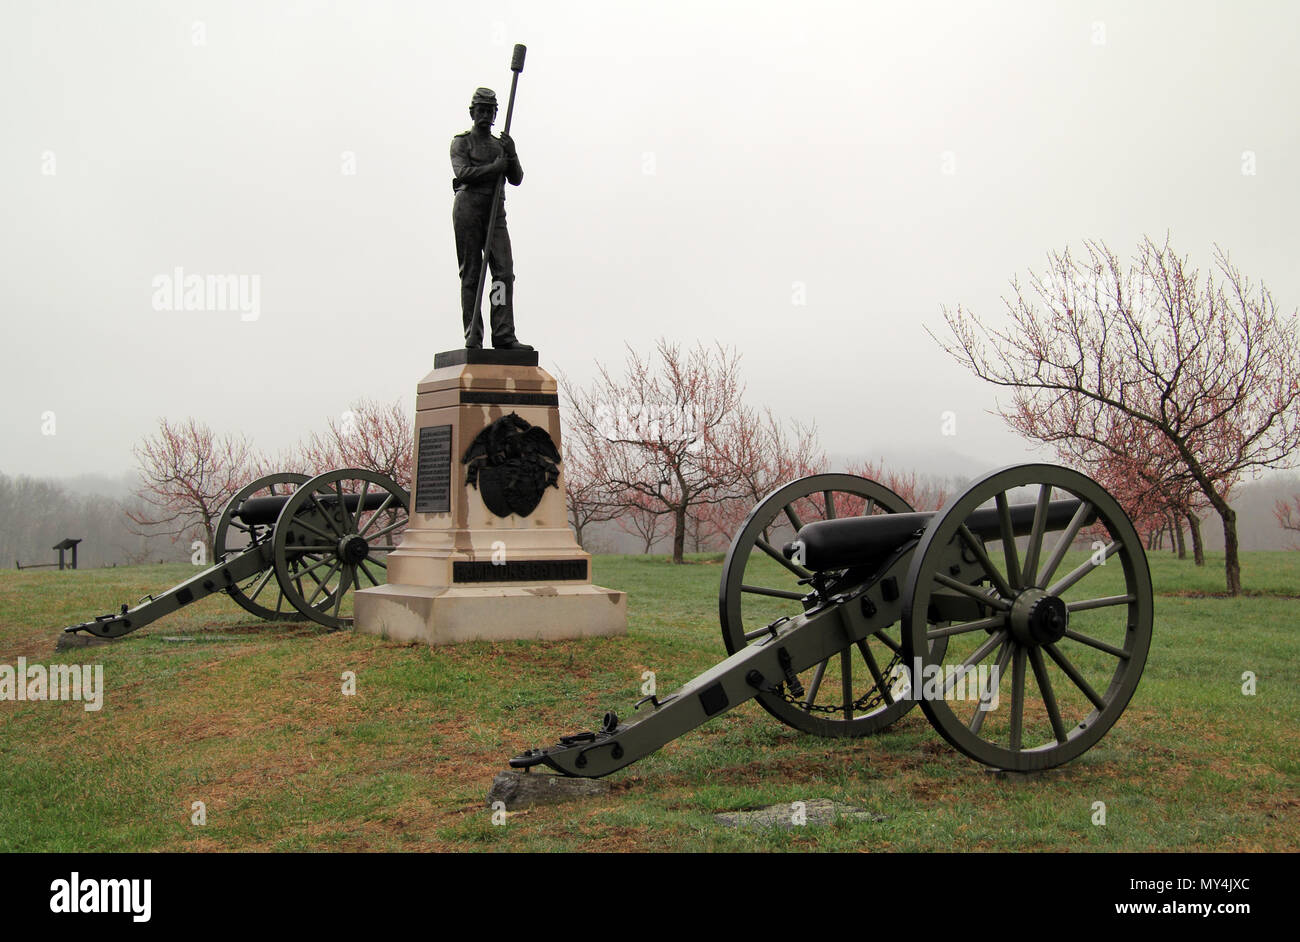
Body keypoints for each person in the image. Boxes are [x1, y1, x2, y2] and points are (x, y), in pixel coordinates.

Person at [450, 87, 532, 350]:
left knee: (503, 273)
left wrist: (512, 153)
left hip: (495, 211)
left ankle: (503, 334)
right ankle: (473, 333)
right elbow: (462, 172)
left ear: (496, 113)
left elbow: (517, 178)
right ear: (473, 112)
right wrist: (493, 168)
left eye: (490, 110)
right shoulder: (462, 142)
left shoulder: (500, 145)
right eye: (481, 110)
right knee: (472, 273)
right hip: (469, 207)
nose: (485, 115)